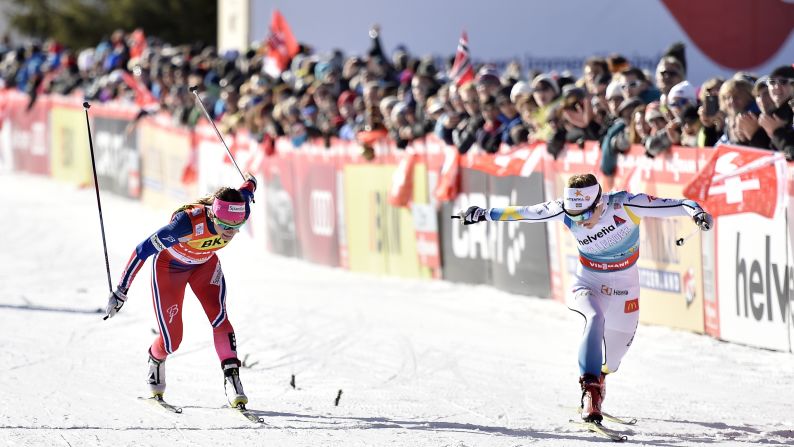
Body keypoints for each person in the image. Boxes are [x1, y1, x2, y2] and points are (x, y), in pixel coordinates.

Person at [457, 173, 712, 423]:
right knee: (594, 316)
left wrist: (697, 213)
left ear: (599, 201)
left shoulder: (626, 204)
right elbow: (526, 212)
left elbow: (679, 204)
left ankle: (599, 379)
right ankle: (590, 392)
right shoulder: (563, 209)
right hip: (588, 281)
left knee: (612, 363)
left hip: (626, 288)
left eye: (587, 214)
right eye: (573, 216)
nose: (581, 222)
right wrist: (483, 213)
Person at [104, 174, 257, 408]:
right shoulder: (185, 225)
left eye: (237, 227)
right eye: (225, 226)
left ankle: (232, 380)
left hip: (204, 266)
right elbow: (141, 251)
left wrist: (251, 181)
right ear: (214, 214)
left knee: (219, 317)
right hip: (169, 269)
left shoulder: (240, 209)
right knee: (172, 340)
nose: (230, 232)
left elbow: (247, 189)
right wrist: (121, 291)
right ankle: (156, 358)